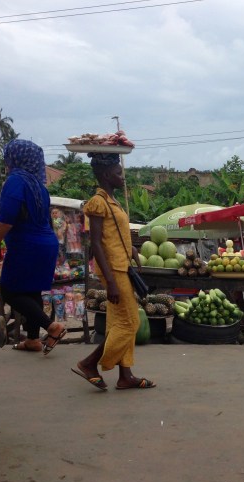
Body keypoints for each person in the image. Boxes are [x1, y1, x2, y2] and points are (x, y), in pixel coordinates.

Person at [72, 152, 156, 391]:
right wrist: (110, 281)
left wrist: (131, 249)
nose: (123, 177)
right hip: (113, 271)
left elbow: (114, 234)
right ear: (108, 175)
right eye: (119, 173)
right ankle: (89, 363)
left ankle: (125, 375)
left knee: (117, 323)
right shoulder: (98, 202)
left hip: (122, 265)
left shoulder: (112, 201)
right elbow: (96, 243)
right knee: (130, 322)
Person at [0, 139, 66, 354]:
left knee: (10, 292)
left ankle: (52, 327)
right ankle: (33, 339)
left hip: (27, 245)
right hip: (45, 244)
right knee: (31, 291)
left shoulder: (16, 180)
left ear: (15, 158)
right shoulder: (38, 185)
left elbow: (7, 218)